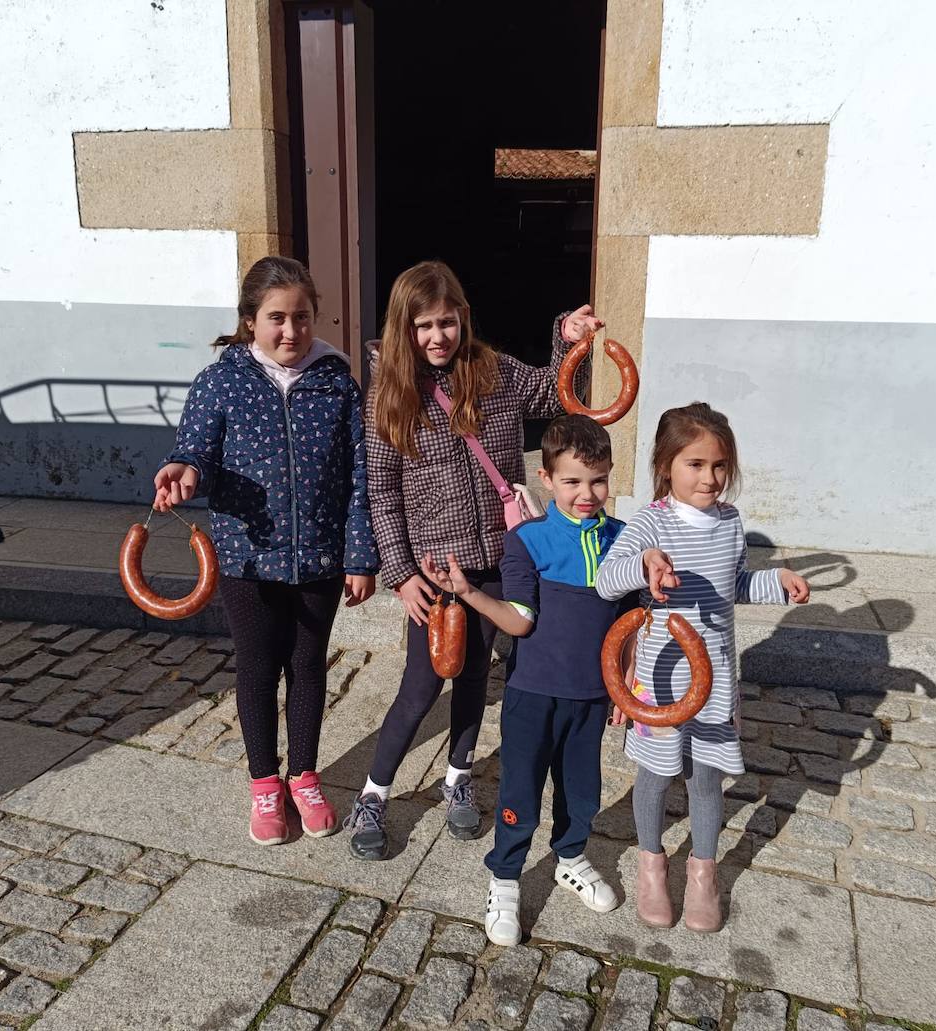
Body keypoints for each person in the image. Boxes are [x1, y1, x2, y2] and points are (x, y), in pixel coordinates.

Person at [344, 259, 600, 861]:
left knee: (475, 674)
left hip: (496, 556)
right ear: (405, 328)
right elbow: (381, 490)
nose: (438, 337)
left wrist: (569, 339)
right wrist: (401, 575)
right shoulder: (388, 394)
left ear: (463, 319)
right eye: (424, 326)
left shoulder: (492, 372)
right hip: (433, 571)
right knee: (423, 680)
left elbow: (556, 393)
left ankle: (458, 775)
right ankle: (374, 792)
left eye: (448, 323)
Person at [154, 256, 378, 846]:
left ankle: (304, 775)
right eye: (276, 318)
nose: (290, 331)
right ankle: (264, 785)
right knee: (257, 669)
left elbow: (361, 475)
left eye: (301, 317)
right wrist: (184, 471)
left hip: (321, 559)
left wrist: (360, 555)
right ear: (250, 320)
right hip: (246, 556)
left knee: (307, 666)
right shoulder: (221, 380)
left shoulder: (337, 382)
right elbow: (194, 448)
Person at [596, 403, 809, 931]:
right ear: (667, 464)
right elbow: (606, 579)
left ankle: (703, 874)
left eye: (719, 466)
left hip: (715, 679)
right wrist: (643, 566)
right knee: (655, 776)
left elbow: (734, 587)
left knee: (707, 780)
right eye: (695, 465)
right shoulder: (651, 522)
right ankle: (651, 867)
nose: (710, 478)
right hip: (662, 679)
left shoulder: (730, 522)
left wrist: (775, 578)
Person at [421, 415, 629, 945]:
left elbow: (631, 624)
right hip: (533, 694)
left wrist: (626, 685)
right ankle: (506, 876)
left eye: (599, 479)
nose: (587, 493)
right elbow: (520, 620)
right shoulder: (527, 541)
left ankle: (571, 856)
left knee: (582, 791)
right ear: (546, 478)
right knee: (520, 790)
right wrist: (469, 593)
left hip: (592, 695)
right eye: (573, 481)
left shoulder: (625, 540)